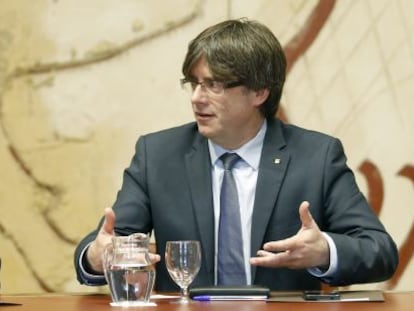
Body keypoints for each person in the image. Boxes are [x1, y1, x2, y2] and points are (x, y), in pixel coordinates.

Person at [74, 18, 398, 291]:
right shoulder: (158, 156)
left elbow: (380, 252)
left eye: (214, 85)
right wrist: (96, 256)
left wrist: (324, 251)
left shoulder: (316, 156)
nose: (197, 98)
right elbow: (107, 241)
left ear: (259, 92)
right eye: (194, 84)